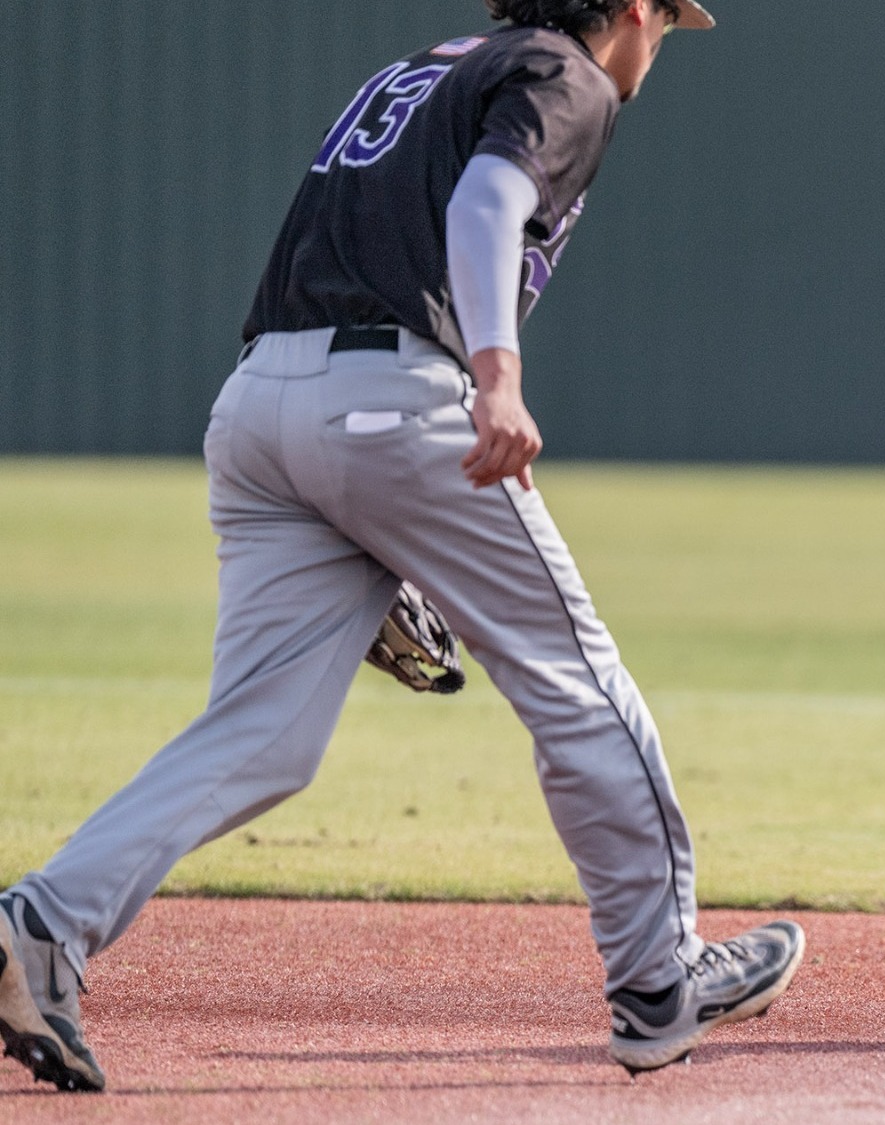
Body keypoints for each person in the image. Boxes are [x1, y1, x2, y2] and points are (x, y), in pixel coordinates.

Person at [0, 0, 802, 1093]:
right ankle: (660, 978)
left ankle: (41, 925)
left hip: (260, 407)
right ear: (627, 11)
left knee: (263, 732)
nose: (659, 46)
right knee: (575, 680)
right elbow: (485, 201)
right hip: (392, 403)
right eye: (665, 21)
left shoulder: (428, 65)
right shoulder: (567, 72)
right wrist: (496, 373)